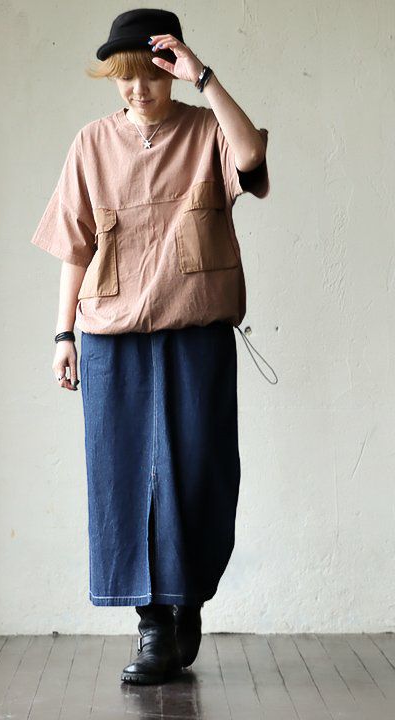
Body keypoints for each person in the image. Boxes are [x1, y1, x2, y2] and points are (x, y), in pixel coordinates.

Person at [30, 8, 273, 685]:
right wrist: (63, 334)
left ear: (172, 71)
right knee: (125, 477)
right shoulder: (91, 143)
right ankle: (153, 626)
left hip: (197, 333)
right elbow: (75, 247)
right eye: (126, 77)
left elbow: (250, 157)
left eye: (153, 75)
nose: (139, 90)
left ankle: (186, 596)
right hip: (112, 339)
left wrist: (205, 77)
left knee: (200, 472)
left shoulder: (206, 129)